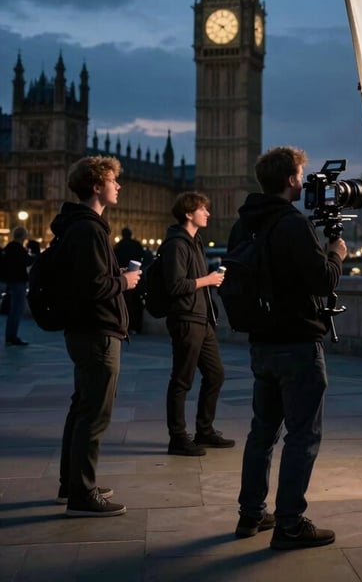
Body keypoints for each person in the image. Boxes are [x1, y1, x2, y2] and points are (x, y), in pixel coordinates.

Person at [232, 146, 347, 550]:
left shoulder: (244, 224)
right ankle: (291, 524)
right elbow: (322, 282)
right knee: (302, 436)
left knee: (261, 432)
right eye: (301, 174)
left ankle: (250, 514)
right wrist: (336, 253)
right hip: (297, 344)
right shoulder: (293, 223)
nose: (304, 180)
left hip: (260, 344)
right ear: (290, 179)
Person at [51, 156, 142, 517]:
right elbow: (93, 287)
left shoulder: (82, 226)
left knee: (81, 409)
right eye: (113, 181)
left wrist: (112, 274)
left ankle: (72, 483)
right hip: (98, 333)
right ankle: (82, 495)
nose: (118, 186)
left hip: (85, 331)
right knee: (94, 415)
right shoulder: (90, 229)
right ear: (96, 185)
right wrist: (125, 281)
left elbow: (88, 279)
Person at [162, 191, 233, 456]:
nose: (208, 213)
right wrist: (209, 280)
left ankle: (204, 430)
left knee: (216, 375)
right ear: (189, 213)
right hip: (185, 319)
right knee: (182, 380)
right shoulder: (176, 245)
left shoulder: (195, 241)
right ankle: (177, 437)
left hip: (202, 319)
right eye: (203, 209)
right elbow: (175, 285)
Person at [3, 226, 32, 346]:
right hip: (18, 281)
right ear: (23, 236)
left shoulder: (9, 247)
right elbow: (26, 261)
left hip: (11, 280)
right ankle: (12, 336)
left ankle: (10, 336)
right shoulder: (18, 249)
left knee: (13, 310)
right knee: (17, 309)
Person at [114, 227, 146, 334]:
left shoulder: (119, 246)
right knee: (137, 303)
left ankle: (126, 326)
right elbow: (143, 258)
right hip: (136, 276)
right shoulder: (136, 245)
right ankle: (137, 326)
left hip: (123, 277)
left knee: (125, 303)